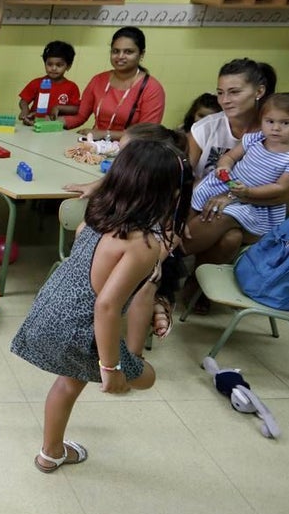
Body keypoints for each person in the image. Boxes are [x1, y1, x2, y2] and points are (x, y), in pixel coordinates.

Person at [10, 139, 185, 473]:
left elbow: (92, 260)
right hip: (81, 328)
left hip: (51, 306)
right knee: (146, 378)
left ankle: (50, 453)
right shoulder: (144, 243)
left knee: (68, 381)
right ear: (166, 193)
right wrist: (111, 368)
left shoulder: (99, 213)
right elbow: (106, 306)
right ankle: (51, 450)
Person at [63, 123, 190, 346]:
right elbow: (84, 235)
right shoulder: (119, 192)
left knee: (147, 285)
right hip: (109, 263)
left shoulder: (166, 196)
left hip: (150, 260)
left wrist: (149, 266)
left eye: (125, 154)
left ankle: (135, 353)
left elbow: (172, 236)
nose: (120, 160)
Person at [184, 58, 289, 313]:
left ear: (259, 92)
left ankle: (160, 260)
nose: (225, 100)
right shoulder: (206, 127)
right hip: (204, 206)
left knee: (224, 218)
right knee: (229, 239)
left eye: (234, 92)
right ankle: (196, 282)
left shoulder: (279, 131)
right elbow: (183, 173)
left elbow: (287, 193)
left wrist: (233, 197)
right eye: (220, 93)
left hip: (258, 212)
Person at [186, 93, 289, 256]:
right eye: (270, 121)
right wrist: (224, 167)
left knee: (220, 214)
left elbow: (280, 188)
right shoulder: (256, 138)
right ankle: (179, 239)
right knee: (196, 193)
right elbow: (230, 157)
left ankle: (178, 251)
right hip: (231, 186)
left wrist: (247, 193)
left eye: (285, 123)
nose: (276, 128)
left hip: (257, 204)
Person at [56, 27, 165, 137]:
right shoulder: (98, 80)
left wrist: (104, 134)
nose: (120, 56)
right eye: (115, 51)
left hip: (130, 150)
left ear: (141, 54)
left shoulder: (152, 88)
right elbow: (80, 115)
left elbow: (147, 134)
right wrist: (51, 123)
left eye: (128, 52)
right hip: (94, 146)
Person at [18, 41, 80, 125]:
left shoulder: (72, 87)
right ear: (45, 64)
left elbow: (76, 109)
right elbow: (23, 101)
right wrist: (25, 110)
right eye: (49, 64)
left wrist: (58, 108)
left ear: (68, 66)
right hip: (33, 125)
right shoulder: (36, 82)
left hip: (55, 127)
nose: (53, 68)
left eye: (59, 65)